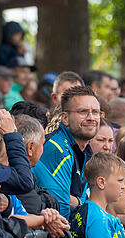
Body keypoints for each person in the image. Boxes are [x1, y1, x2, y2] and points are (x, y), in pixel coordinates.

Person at [34, 85, 99, 219]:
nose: (91, 117)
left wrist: (79, 203)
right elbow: (61, 208)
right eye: (83, 111)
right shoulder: (58, 149)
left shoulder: (86, 150)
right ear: (65, 118)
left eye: (96, 112)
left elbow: (83, 200)